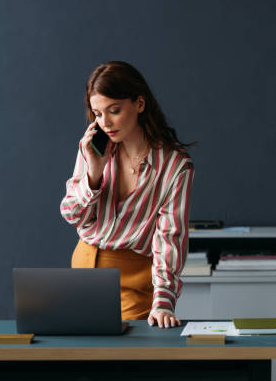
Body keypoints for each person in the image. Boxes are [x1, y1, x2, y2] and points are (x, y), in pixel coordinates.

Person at [60, 61, 195, 329]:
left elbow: (170, 238)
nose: (105, 123)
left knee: (123, 365)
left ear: (140, 104)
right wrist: (94, 175)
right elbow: (74, 215)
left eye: (114, 110)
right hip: (83, 270)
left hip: (133, 281)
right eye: (97, 114)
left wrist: (163, 302)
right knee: (77, 362)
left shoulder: (175, 167)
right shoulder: (91, 148)